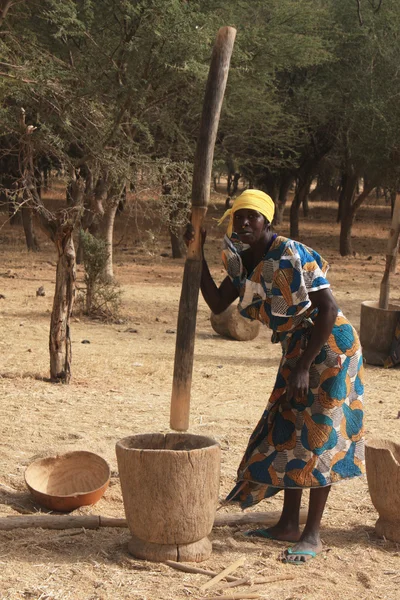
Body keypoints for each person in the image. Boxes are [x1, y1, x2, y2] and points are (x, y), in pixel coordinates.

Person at [186, 189, 365, 564]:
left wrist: (303, 366)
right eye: (240, 216)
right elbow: (219, 303)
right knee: (290, 427)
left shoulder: (291, 253)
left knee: (320, 433)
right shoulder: (240, 261)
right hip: (298, 349)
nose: (246, 222)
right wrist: (196, 254)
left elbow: (329, 308)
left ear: (268, 221)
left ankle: (312, 535)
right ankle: (287, 523)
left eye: (254, 216)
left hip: (330, 347)